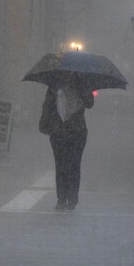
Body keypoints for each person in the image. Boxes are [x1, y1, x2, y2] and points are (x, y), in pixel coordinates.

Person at [39, 79, 94, 210]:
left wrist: (83, 90)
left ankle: (70, 198)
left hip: (75, 132)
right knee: (62, 165)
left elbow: (90, 103)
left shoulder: (81, 83)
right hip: (62, 131)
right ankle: (63, 198)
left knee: (72, 164)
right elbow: (48, 105)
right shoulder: (55, 85)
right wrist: (45, 124)